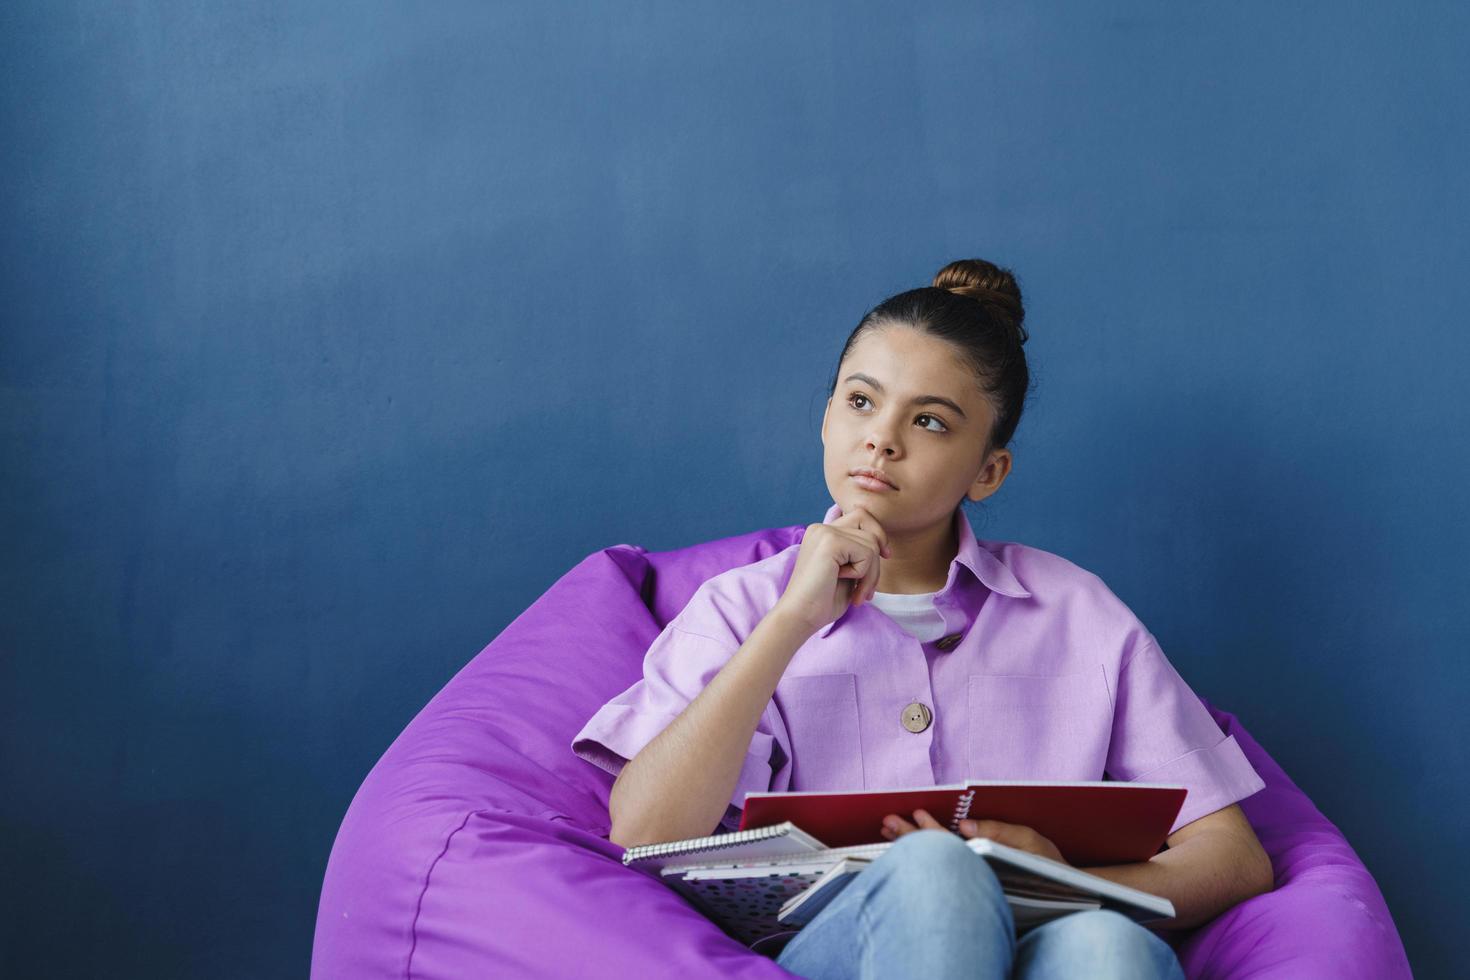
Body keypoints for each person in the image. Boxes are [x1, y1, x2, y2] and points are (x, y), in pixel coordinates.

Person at [570, 258, 1274, 979]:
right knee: (934, 870)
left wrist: (1070, 884)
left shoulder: (1078, 613)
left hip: (1037, 943)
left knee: (1110, 944)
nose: (882, 440)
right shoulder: (740, 606)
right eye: (861, 402)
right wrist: (788, 624)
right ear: (825, 418)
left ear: (987, 471)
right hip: (828, 953)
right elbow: (645, 830)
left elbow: (1234, 857)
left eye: (930, 421)